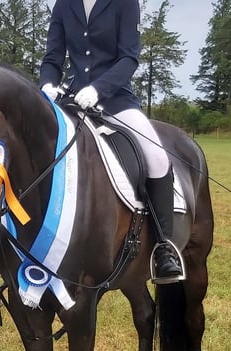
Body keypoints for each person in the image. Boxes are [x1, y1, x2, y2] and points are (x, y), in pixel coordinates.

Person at [39, 0, 184, 283]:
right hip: (72, 101)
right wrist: (46, 84)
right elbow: (52, 57)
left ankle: (163, 248)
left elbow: (129, 57)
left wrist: (98, 89)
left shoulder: (125, 3)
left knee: (156, 158)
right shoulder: (64, 4)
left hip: (116, 101)